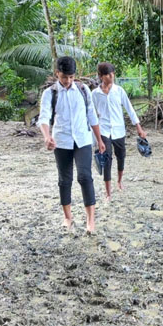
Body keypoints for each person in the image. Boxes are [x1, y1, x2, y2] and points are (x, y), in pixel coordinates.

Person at [38, 56, 106, 233]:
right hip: (61, 140)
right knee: (64, 179)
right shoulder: (49, 94)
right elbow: (44, 118)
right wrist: (47, 137)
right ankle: (68, 217)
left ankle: (90, 220)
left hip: (83, 139)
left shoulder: (83, 91)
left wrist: (99, 140)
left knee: (85, 177)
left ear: (75, 75)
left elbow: (92, 116)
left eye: (71, 77)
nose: (67, 81)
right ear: (57, 74)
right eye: (64, 77)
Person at [91, 62, 147, 200]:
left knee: (121, 156)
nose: (111, 77)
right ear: (101, 76)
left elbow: (130, 109)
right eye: (108, 75)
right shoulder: (95, 94)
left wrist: (138, 127)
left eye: (112, 73)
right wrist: (95, 138)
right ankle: (108, 192)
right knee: (107, 159)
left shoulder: (119, 91)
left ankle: (119, 181)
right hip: (104, 130)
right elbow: (92, 116)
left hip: (119, 130)